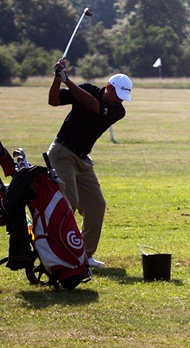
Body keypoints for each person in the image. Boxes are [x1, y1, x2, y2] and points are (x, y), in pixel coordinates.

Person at [47, 58, 132, 268]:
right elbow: (53, 100)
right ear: (109, 87)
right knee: (70, 202)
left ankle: (83, 256)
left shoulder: (117, 111)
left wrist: (68, 81)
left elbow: (92, 104)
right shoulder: (84, 89)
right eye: (118, 96)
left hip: (83, 160)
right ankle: (58, 252)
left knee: (96, 205)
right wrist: (58, 79)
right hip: (62, 153)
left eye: (123, 98)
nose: (119, 101)